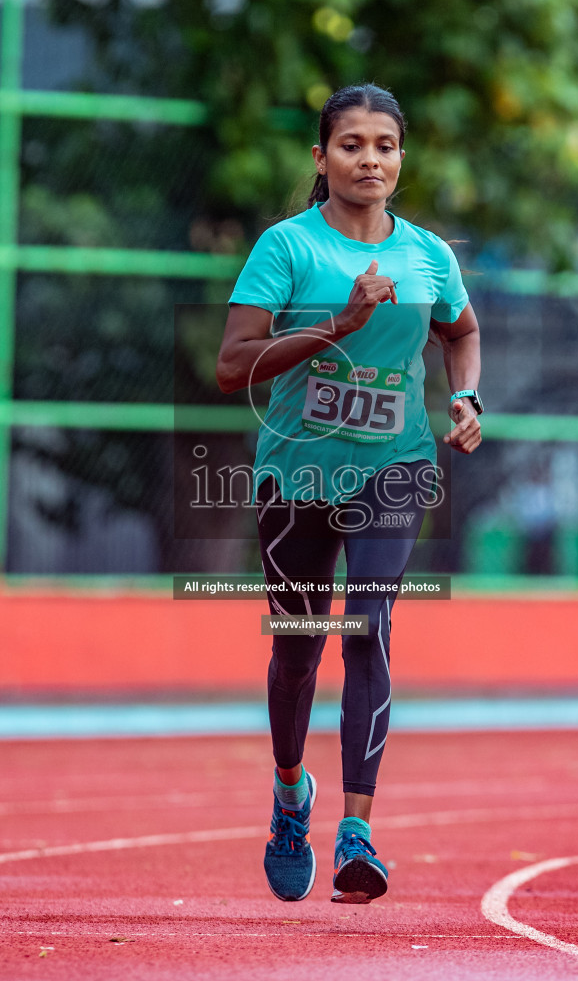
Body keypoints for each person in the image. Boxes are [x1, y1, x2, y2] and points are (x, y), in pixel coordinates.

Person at [216, 83, 483, 904]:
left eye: (386, 146)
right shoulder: (287, 248)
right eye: (352, 145)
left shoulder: (429, 255)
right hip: (296, 474)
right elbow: (233, 366)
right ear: (321, 158)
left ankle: (357, 832)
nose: (371, 160)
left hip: (394, 466)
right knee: (297, 652)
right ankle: (291, 792)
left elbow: (462, 332)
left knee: (367, 627)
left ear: (402, 157)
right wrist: (337, 323)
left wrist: (466, 397)